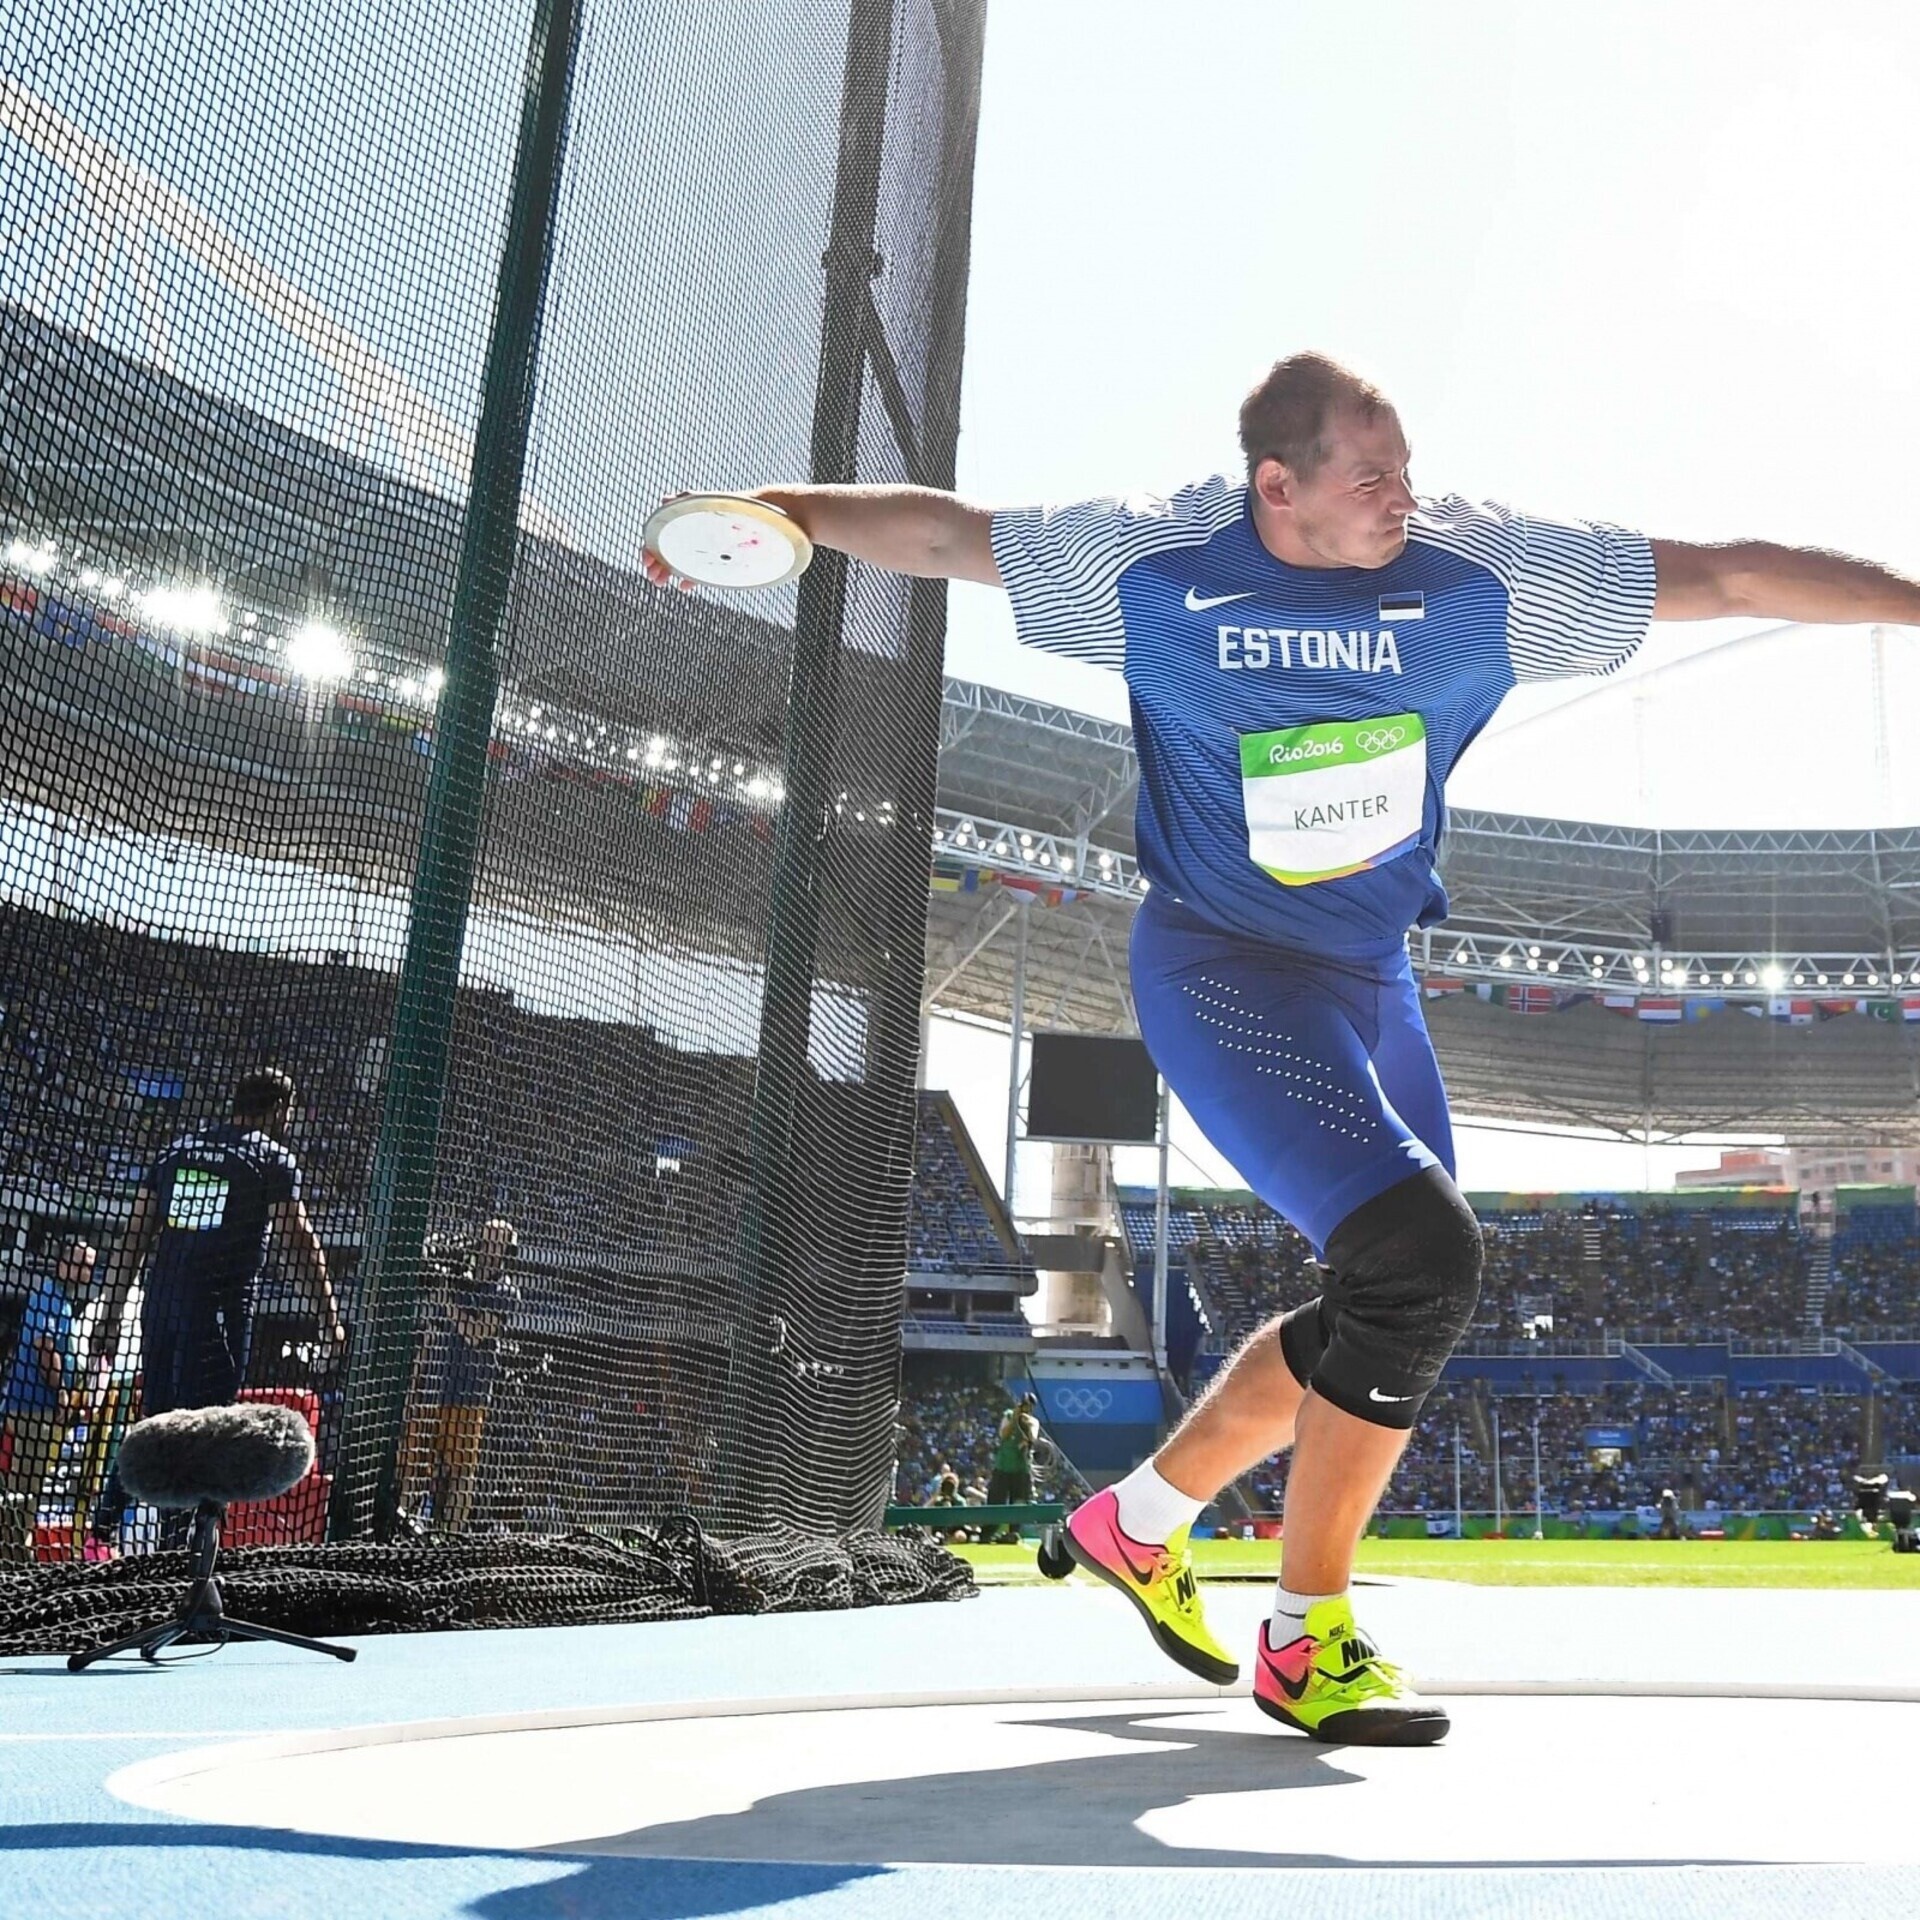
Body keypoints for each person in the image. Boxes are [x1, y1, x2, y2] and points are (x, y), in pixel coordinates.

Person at [644, 351, 1920, 1745]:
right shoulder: (1149, 560)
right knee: (1419, 1261)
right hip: (1225, 969)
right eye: (1370, 474)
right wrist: (784, 511)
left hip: (1373, 984)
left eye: (1408, 468)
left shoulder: (1478, 571)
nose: (1403, 496)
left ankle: (1142, 1519)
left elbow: (1731, 579)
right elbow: (951, 534)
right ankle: (1308, 1638)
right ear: (1277, 485)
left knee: (1400, 1292)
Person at [89, 1068, 345, 1549]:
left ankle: (107, 1517)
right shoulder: (270, 1157)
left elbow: (137, 1233)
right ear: (280, 1110)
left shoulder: (177, 1150)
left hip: (161, 1306)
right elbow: (299, 1241)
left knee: (156, 1414)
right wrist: (327, 1316)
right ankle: (180, 1543)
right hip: (218, 1309)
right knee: (205, 1422)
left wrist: (112, 1309)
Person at [397, 1218, 519, 1534]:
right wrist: (416, 1382)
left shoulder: (504, 1289)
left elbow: (476, 1333)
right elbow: (429, 1335)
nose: (486, 1248)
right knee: (415, 1465)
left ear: (506, 1251)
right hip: (435, 1383)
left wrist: (446, 1301)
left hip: (469, 1390)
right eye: (485, 1240)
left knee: (461, 1470)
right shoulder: (454, 1278)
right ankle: (403, 1524)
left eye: (495, 1243)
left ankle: (450, 1533)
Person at [0, 1236, 91, 1562]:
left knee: (24, 1486)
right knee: (25, 1487)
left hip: (31, 1408)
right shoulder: (51, 1299)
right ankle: (14, 1560)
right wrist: (63, 1393)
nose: (86, 1274)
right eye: (81, 1265)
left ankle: (13, 1553)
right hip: (32, 1409)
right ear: (64, 1264)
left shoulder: (59, 1300)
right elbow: (44, 1347)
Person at [986, 1392, 1039, 1542]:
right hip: (1003, 1465)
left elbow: (1033, 1437)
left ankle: (1013, 1533)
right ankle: (989, 1532)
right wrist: (1015, 1418)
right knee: (995, 1500)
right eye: (1024, 1406)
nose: (1026, 1410)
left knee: (1019, 1501)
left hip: (1021, 1468)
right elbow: (1003, 1434)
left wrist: (1027, 1430)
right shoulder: (1009, 1415)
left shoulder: (1032, 1421)